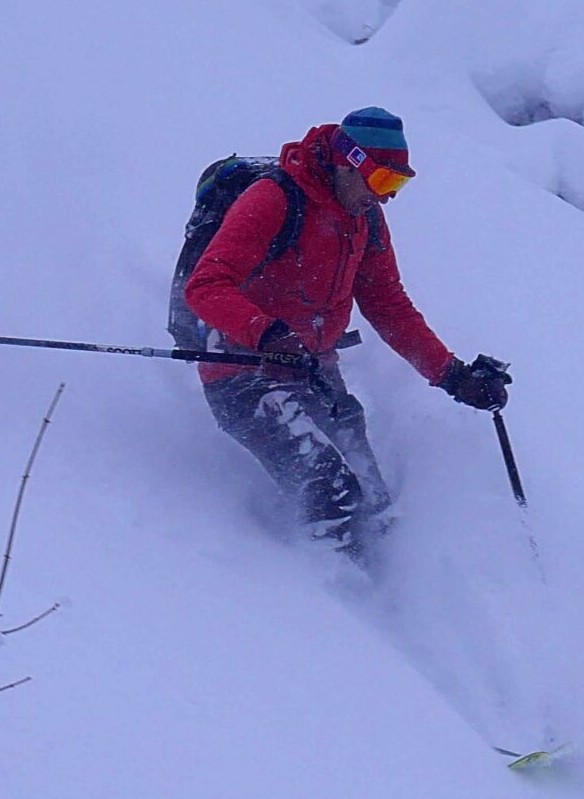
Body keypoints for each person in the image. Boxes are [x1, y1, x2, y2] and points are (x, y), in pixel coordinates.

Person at [181, 107, 510, 559]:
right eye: (381, 182)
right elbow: (205, 285)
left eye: (397, 186)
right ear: (347, 161)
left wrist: (453, 376)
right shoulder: (272, 199)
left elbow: (389, 306)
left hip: (313, 370)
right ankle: (328, 607)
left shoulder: (365, 220)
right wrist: (267, 334)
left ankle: (388, 599)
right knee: (329, 489)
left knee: (374, 501)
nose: (387, 198)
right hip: (241, 373)